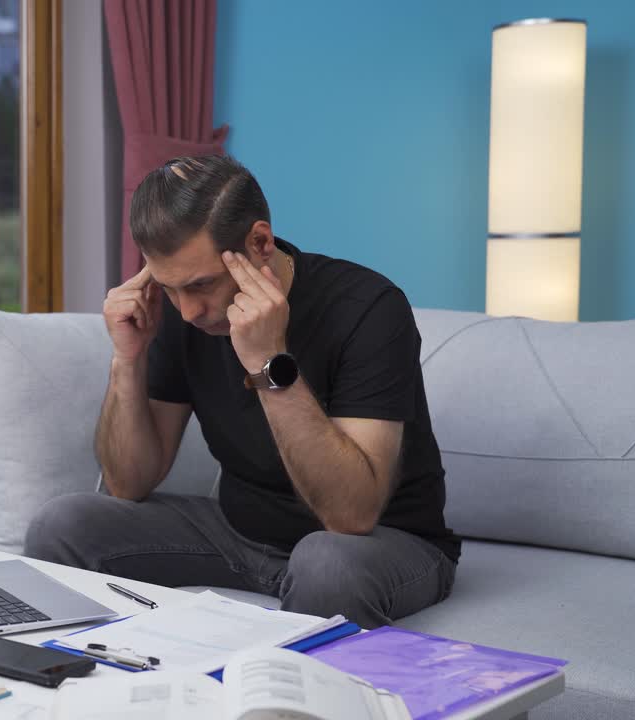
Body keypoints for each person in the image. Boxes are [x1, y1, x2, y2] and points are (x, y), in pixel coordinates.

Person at [24, 155, 460, 628]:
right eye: (169, 289)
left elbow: (350, 514)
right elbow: (128, 484)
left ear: (260, 242)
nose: (188, 310)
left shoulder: (369, 309)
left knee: (327, 563)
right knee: (63, 525)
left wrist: (268, 362)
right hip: (238, 534)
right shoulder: (181, 312)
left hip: (377, 543)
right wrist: (127, 359)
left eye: (202, 284)